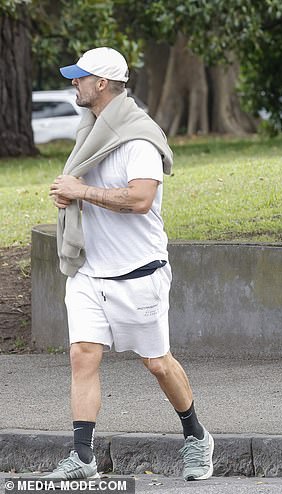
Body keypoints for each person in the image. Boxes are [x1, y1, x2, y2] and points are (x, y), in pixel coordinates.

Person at [46, 47, 213, 481]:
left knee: (158, 363)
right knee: (83, 355)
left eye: (79, 77)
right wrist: (71, 194)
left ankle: (196, 436)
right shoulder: (91, 131)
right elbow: (85, 187)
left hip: (139, 272)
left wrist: (80, 193)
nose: (73, 84)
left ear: (101, 83)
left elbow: (139, 200)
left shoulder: (138, 138)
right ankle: (82, 456)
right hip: (89, 270)